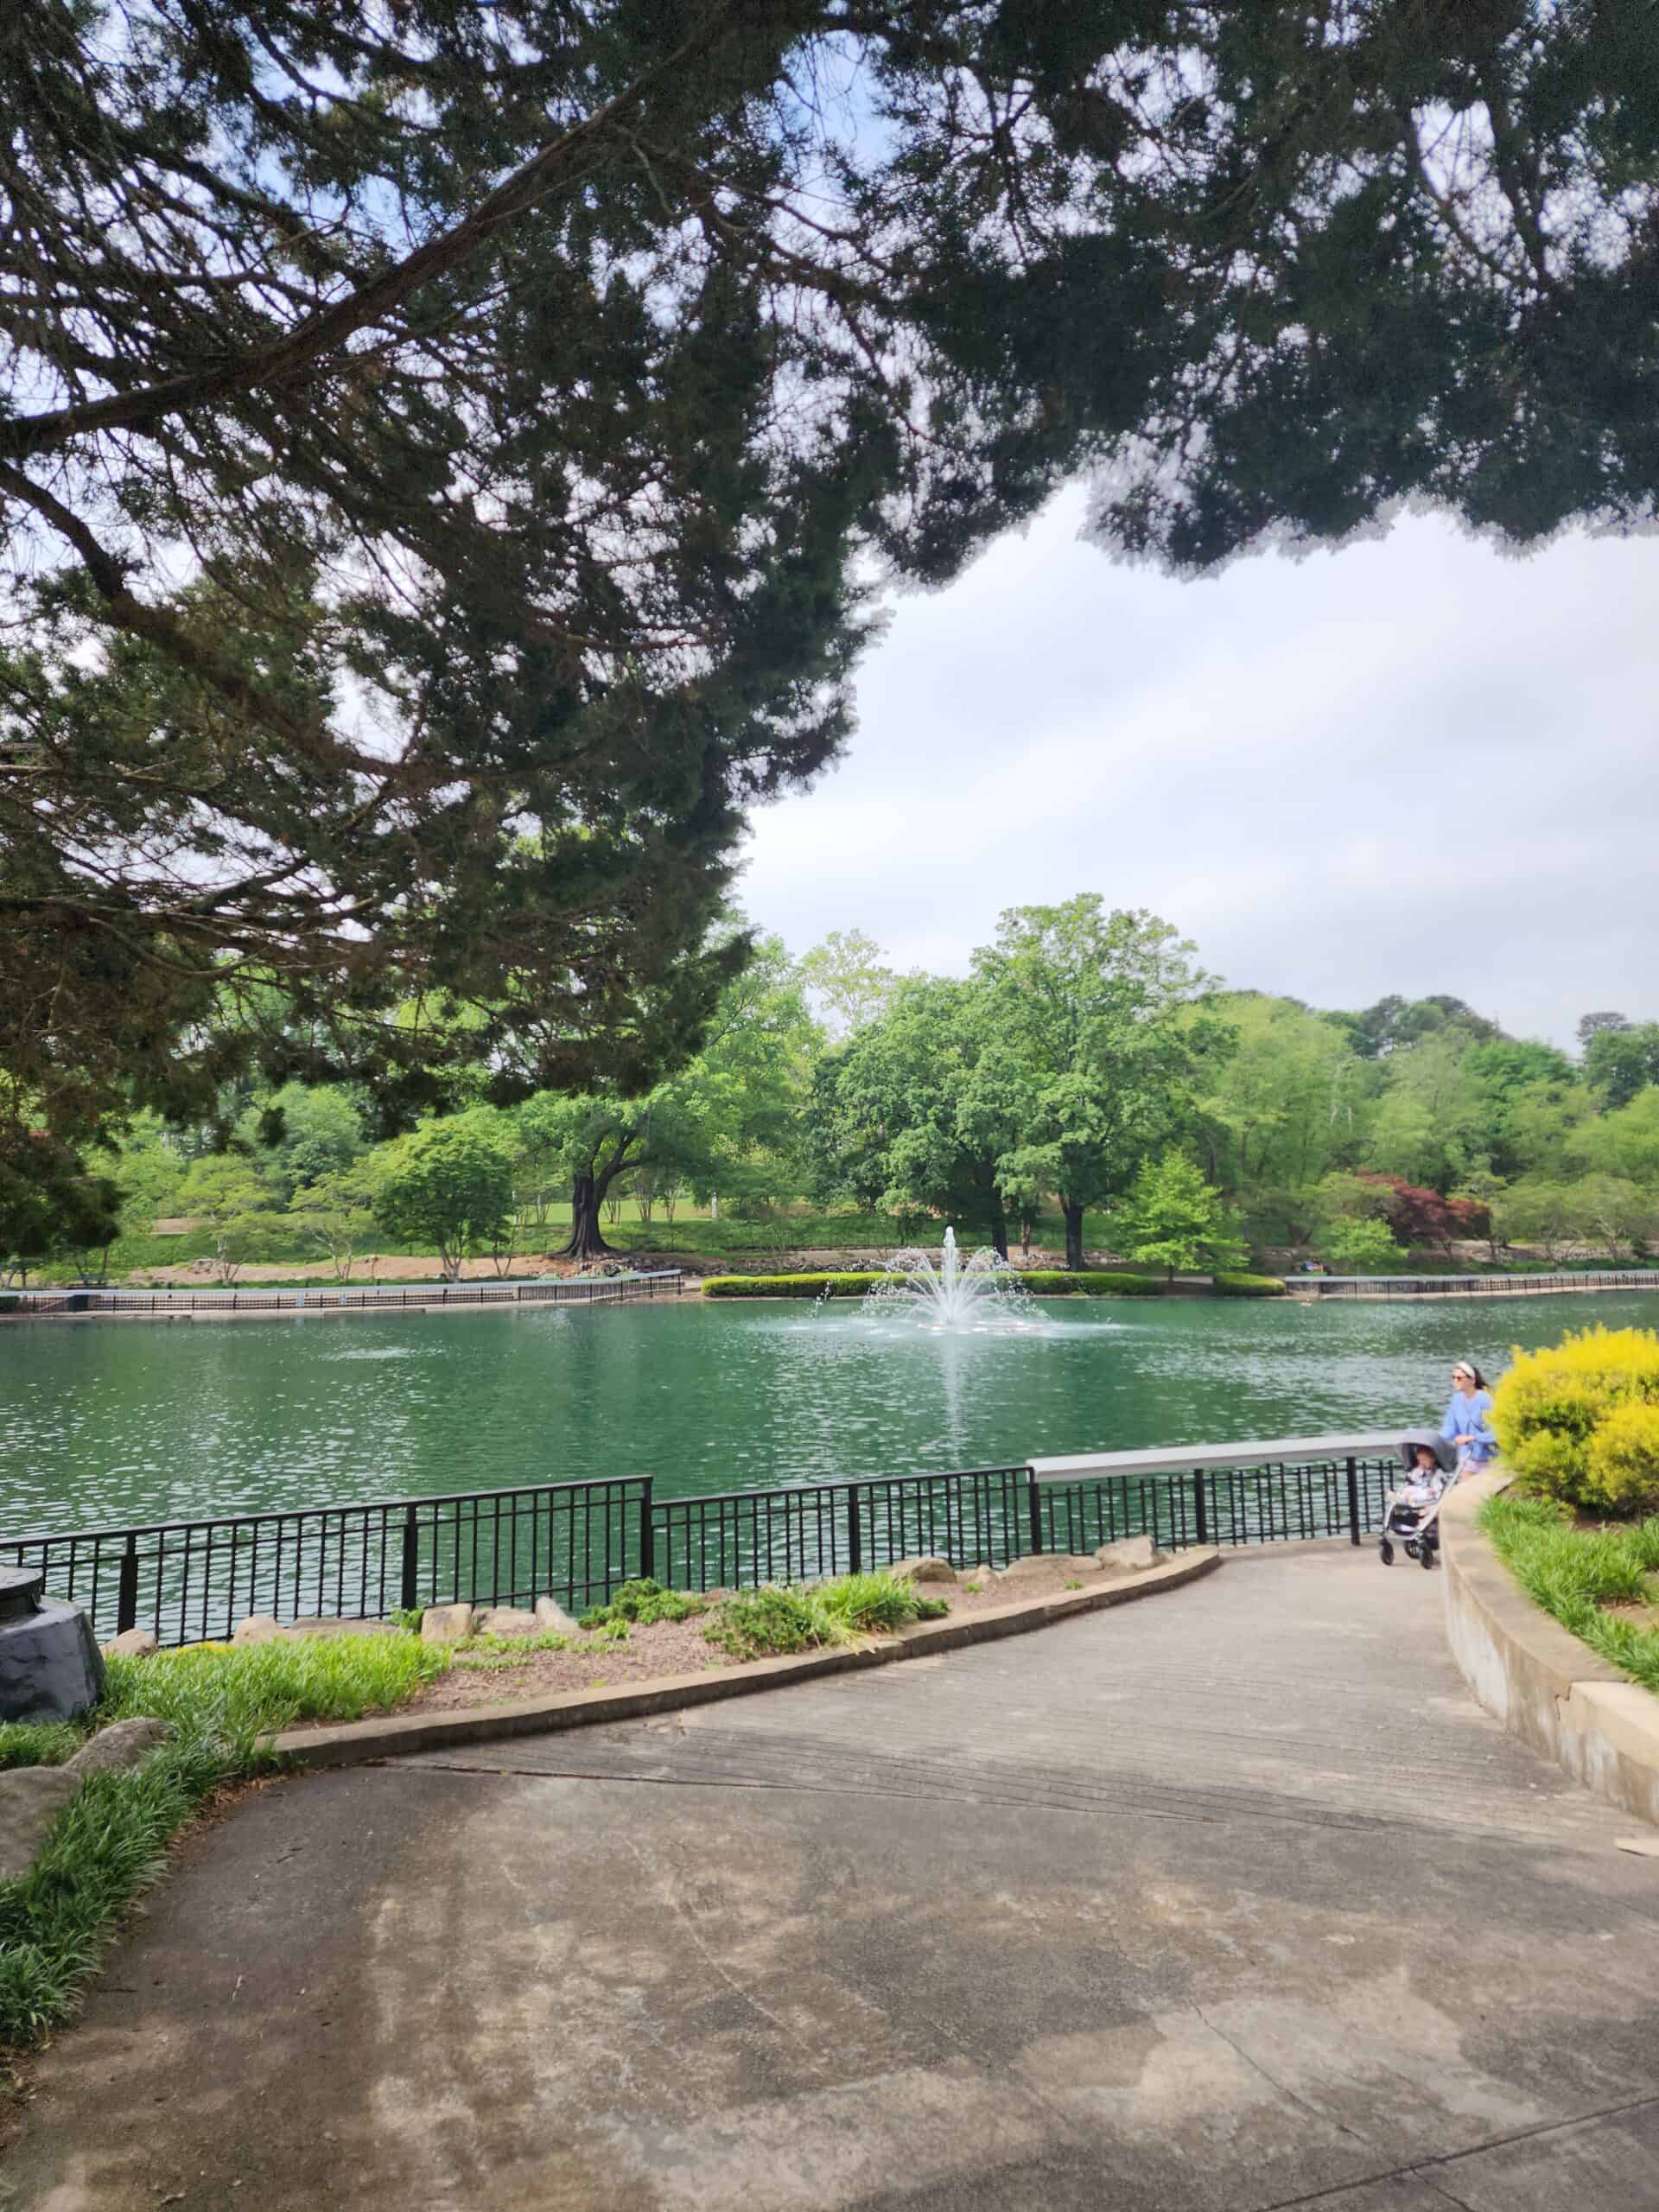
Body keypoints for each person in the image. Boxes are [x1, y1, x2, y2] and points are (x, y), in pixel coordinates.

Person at [1440, 1360, 1497, 1477]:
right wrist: (1444, 1440)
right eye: (1453, 1377)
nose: (1455, 1381)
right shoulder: (1456, 1400)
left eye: (1459, 1378)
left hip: (1489, 1459)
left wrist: (1474, 1438)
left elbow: (1496, 1431)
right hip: (1467, 1458)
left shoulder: (1486, 1400)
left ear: (1472, 1380)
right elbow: (1449, 1427)